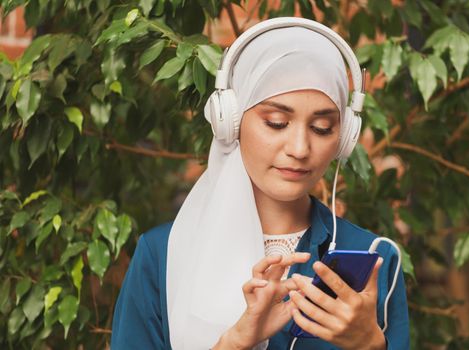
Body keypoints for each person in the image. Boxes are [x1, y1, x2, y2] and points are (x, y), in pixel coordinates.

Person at [111, 17, 410, 350]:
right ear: (231, 122)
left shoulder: (374, 258)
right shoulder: (161, 255)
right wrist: (234, 344)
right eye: (277, 122)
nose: (299, 149)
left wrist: (370, 345)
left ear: (344, 139)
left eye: (323, 128)